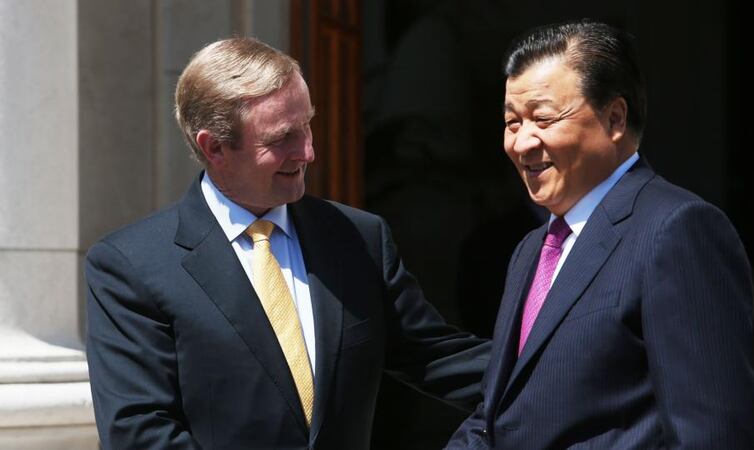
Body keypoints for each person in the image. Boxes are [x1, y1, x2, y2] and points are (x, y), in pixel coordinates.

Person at [85, 37, 489, 450]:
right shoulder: (131, 266)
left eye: (308, 125)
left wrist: (551, 368)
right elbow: (139, 432)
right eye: (282, 139)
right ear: (215, 147)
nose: (308, 151)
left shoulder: (358, 238)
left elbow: (438, 359)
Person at [447, 20, 754, 449]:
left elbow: (711, 434)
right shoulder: (531, 250)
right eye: (512, 123)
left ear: (614, 117)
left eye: (542, 118)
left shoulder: (676, 231)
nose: (522, 143)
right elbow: (497, 418)